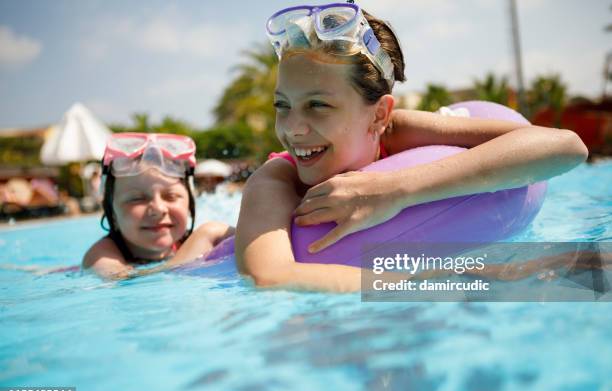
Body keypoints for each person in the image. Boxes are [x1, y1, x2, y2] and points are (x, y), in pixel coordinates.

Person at [234, 3, 588, 292]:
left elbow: (567, 147)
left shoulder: (398, 132)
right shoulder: (276, 181)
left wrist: (395, 190)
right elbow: (270, 276)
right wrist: (466, 281)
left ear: (380, 114)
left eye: (317, 105)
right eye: (282, 106)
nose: (292, 128)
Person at [82, 133, 234, 279]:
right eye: (136, 199)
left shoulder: (189, 241)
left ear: (189, 204)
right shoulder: (101, 254)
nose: (158, 209)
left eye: (171, 196)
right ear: (111, 211)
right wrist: (205, 237)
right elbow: (123, 281)